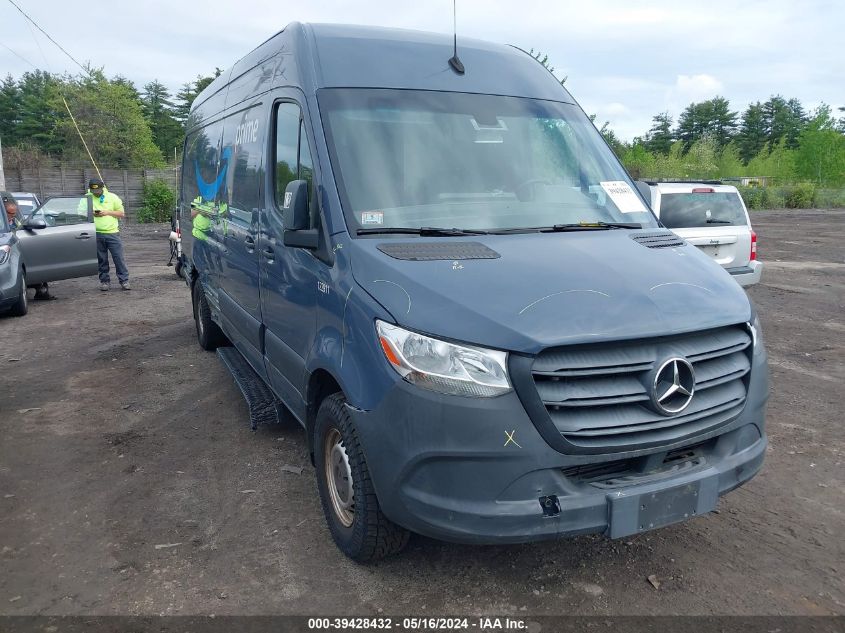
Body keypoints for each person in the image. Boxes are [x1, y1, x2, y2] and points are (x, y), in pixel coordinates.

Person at [86, 178, 130, 291]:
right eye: (93, 191)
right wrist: (91, 214)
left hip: (112, 233)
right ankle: (104, 281)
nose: (96, 193)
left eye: (98, 191)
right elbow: (81, 213)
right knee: (102, 260)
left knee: (118, 258)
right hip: (95, 233)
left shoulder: (112, 197)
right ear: (90, 189)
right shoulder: (86, 197)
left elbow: (121, 213)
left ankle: (124, 280)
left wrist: (107, 212)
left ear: (102, 188)